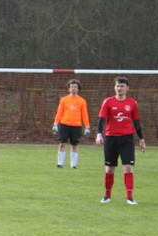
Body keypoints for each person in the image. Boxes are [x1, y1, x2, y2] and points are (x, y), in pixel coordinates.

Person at [95, 77, 146, 205]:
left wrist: (142, 139)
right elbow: (101, 120)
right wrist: (99, 134)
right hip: (111, 138)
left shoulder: (133, 103)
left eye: (122, 86)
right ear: (114, 87)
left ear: (127, 88)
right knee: (109, 169)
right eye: (117, 86)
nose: (119, 88)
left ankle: (129, 197)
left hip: (127, 138)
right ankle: (107, 195)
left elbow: (137, 123)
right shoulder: (108, 102)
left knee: (128, 167)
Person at [52, 79, 91, 169]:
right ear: (69, 88)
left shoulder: (82, 101)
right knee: (62, 143)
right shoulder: (64, 99)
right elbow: (59, 112)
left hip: (76, 125)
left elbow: (85, 114)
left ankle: (73, 165)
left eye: (75, 87)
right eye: (72, 86)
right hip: (64, 124)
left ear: (78, 89)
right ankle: (60, 163)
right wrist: (55, 124)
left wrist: (87, 126)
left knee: (75, 145)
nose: (73, 88)